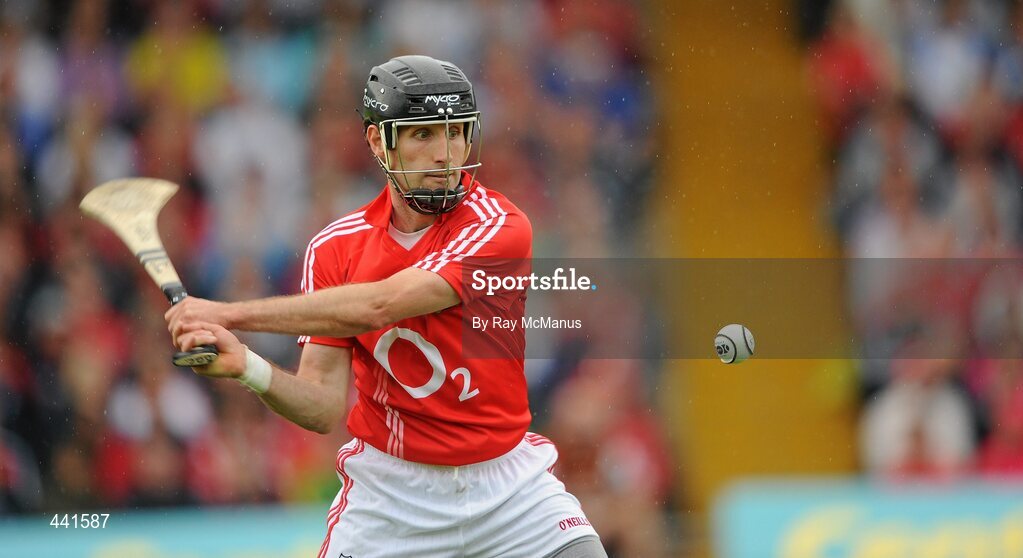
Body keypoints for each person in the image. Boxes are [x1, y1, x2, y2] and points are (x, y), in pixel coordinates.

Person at [165, 55, 606, 558]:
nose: (446, 154)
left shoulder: (500, 226)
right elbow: (321, 407)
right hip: (392, 501)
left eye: (456, 132)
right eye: (423, 135)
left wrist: (227, 313)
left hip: (509, 493)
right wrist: (247, 365)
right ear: (379, 141)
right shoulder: (334, 248)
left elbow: (381, 305)